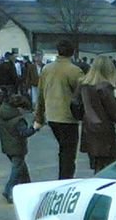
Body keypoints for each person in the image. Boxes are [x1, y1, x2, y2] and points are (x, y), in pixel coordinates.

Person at [34, 39, 83, 179]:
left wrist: (39, 116)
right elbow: (82, 93)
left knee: (63, 148)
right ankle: (65, 179)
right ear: (72, 53)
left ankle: (63, 177)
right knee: (69, 152)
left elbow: (40, 94)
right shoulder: (75, 71)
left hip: (51, 115)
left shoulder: (46, 69)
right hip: (68, 116)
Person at [78, 54, 116, 172]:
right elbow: (114, 112)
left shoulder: (83, 85)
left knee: (97, 165)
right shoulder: (105, 87)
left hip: (88, 128)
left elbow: (75, 104)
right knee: (110, 166)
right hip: (104, 131)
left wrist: (83, 117)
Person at [0, 93, 40, 202]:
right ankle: (8, 190)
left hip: (7, 147)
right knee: (16, 171)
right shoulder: (18, 120)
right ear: (19, 108)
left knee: (22, 170)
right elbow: (24, 133)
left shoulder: (4, 114)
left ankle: (28, 187)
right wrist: (35, 128)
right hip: (17, 148)